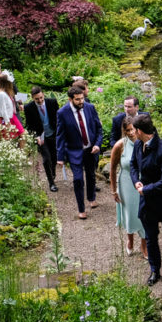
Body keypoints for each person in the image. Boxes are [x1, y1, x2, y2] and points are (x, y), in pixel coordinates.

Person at [131, 114, 162, 286]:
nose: (133, 134)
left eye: (134, 131)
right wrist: (135, 180)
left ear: (139, 131)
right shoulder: (138, 144)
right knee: (151, 237)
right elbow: (133, 165)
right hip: (147, 202)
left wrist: (146, 189)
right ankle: (155, 270)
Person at [56, 85, 104, 219]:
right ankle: (81, 209)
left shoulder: (90, 107)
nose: (81, 101)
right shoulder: (62, 113)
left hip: (91, 149)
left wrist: (97, 145)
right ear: (70, 99)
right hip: (74, 151)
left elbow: (99, 129)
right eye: (77, 100)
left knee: (91, 175)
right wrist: (60, 157)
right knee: (78, 180)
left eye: (82, 98)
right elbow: (60, 136)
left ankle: (91, 198)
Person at [108, 115, 147, 258]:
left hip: (143, 183)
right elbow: (112, 169)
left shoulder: (144, 142)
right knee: (130, 214)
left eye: (133, 129)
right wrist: (113, 191)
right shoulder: (120, 145)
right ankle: (130, 240)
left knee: (144, 214)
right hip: (125, 182)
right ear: (124, 130)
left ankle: (144, 244)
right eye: (127, 130)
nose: (131, 133)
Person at [24, 86, 59, 192]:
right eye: (37, 99)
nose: (39, 100)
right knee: (46, 158)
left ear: (43, 95)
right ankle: (51, 183)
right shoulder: (28, 107)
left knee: (54, 157)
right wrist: (36, 136)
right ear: (32, 98)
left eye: (41, 98)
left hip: (53, 133)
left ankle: (52, 172)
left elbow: (58, 118)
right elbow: (29, 125)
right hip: (41, 136)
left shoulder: (52, 102)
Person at [0, 73, 24, 142]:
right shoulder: (1, 94)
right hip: (6, 119)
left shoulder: (6, 92)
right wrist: (7, 123)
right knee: (8, 140)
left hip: (12, 116)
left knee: (22, 135)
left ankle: (21, 151)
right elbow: (3, 110)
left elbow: (12, 101)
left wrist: (20, 103)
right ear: (6, 83)